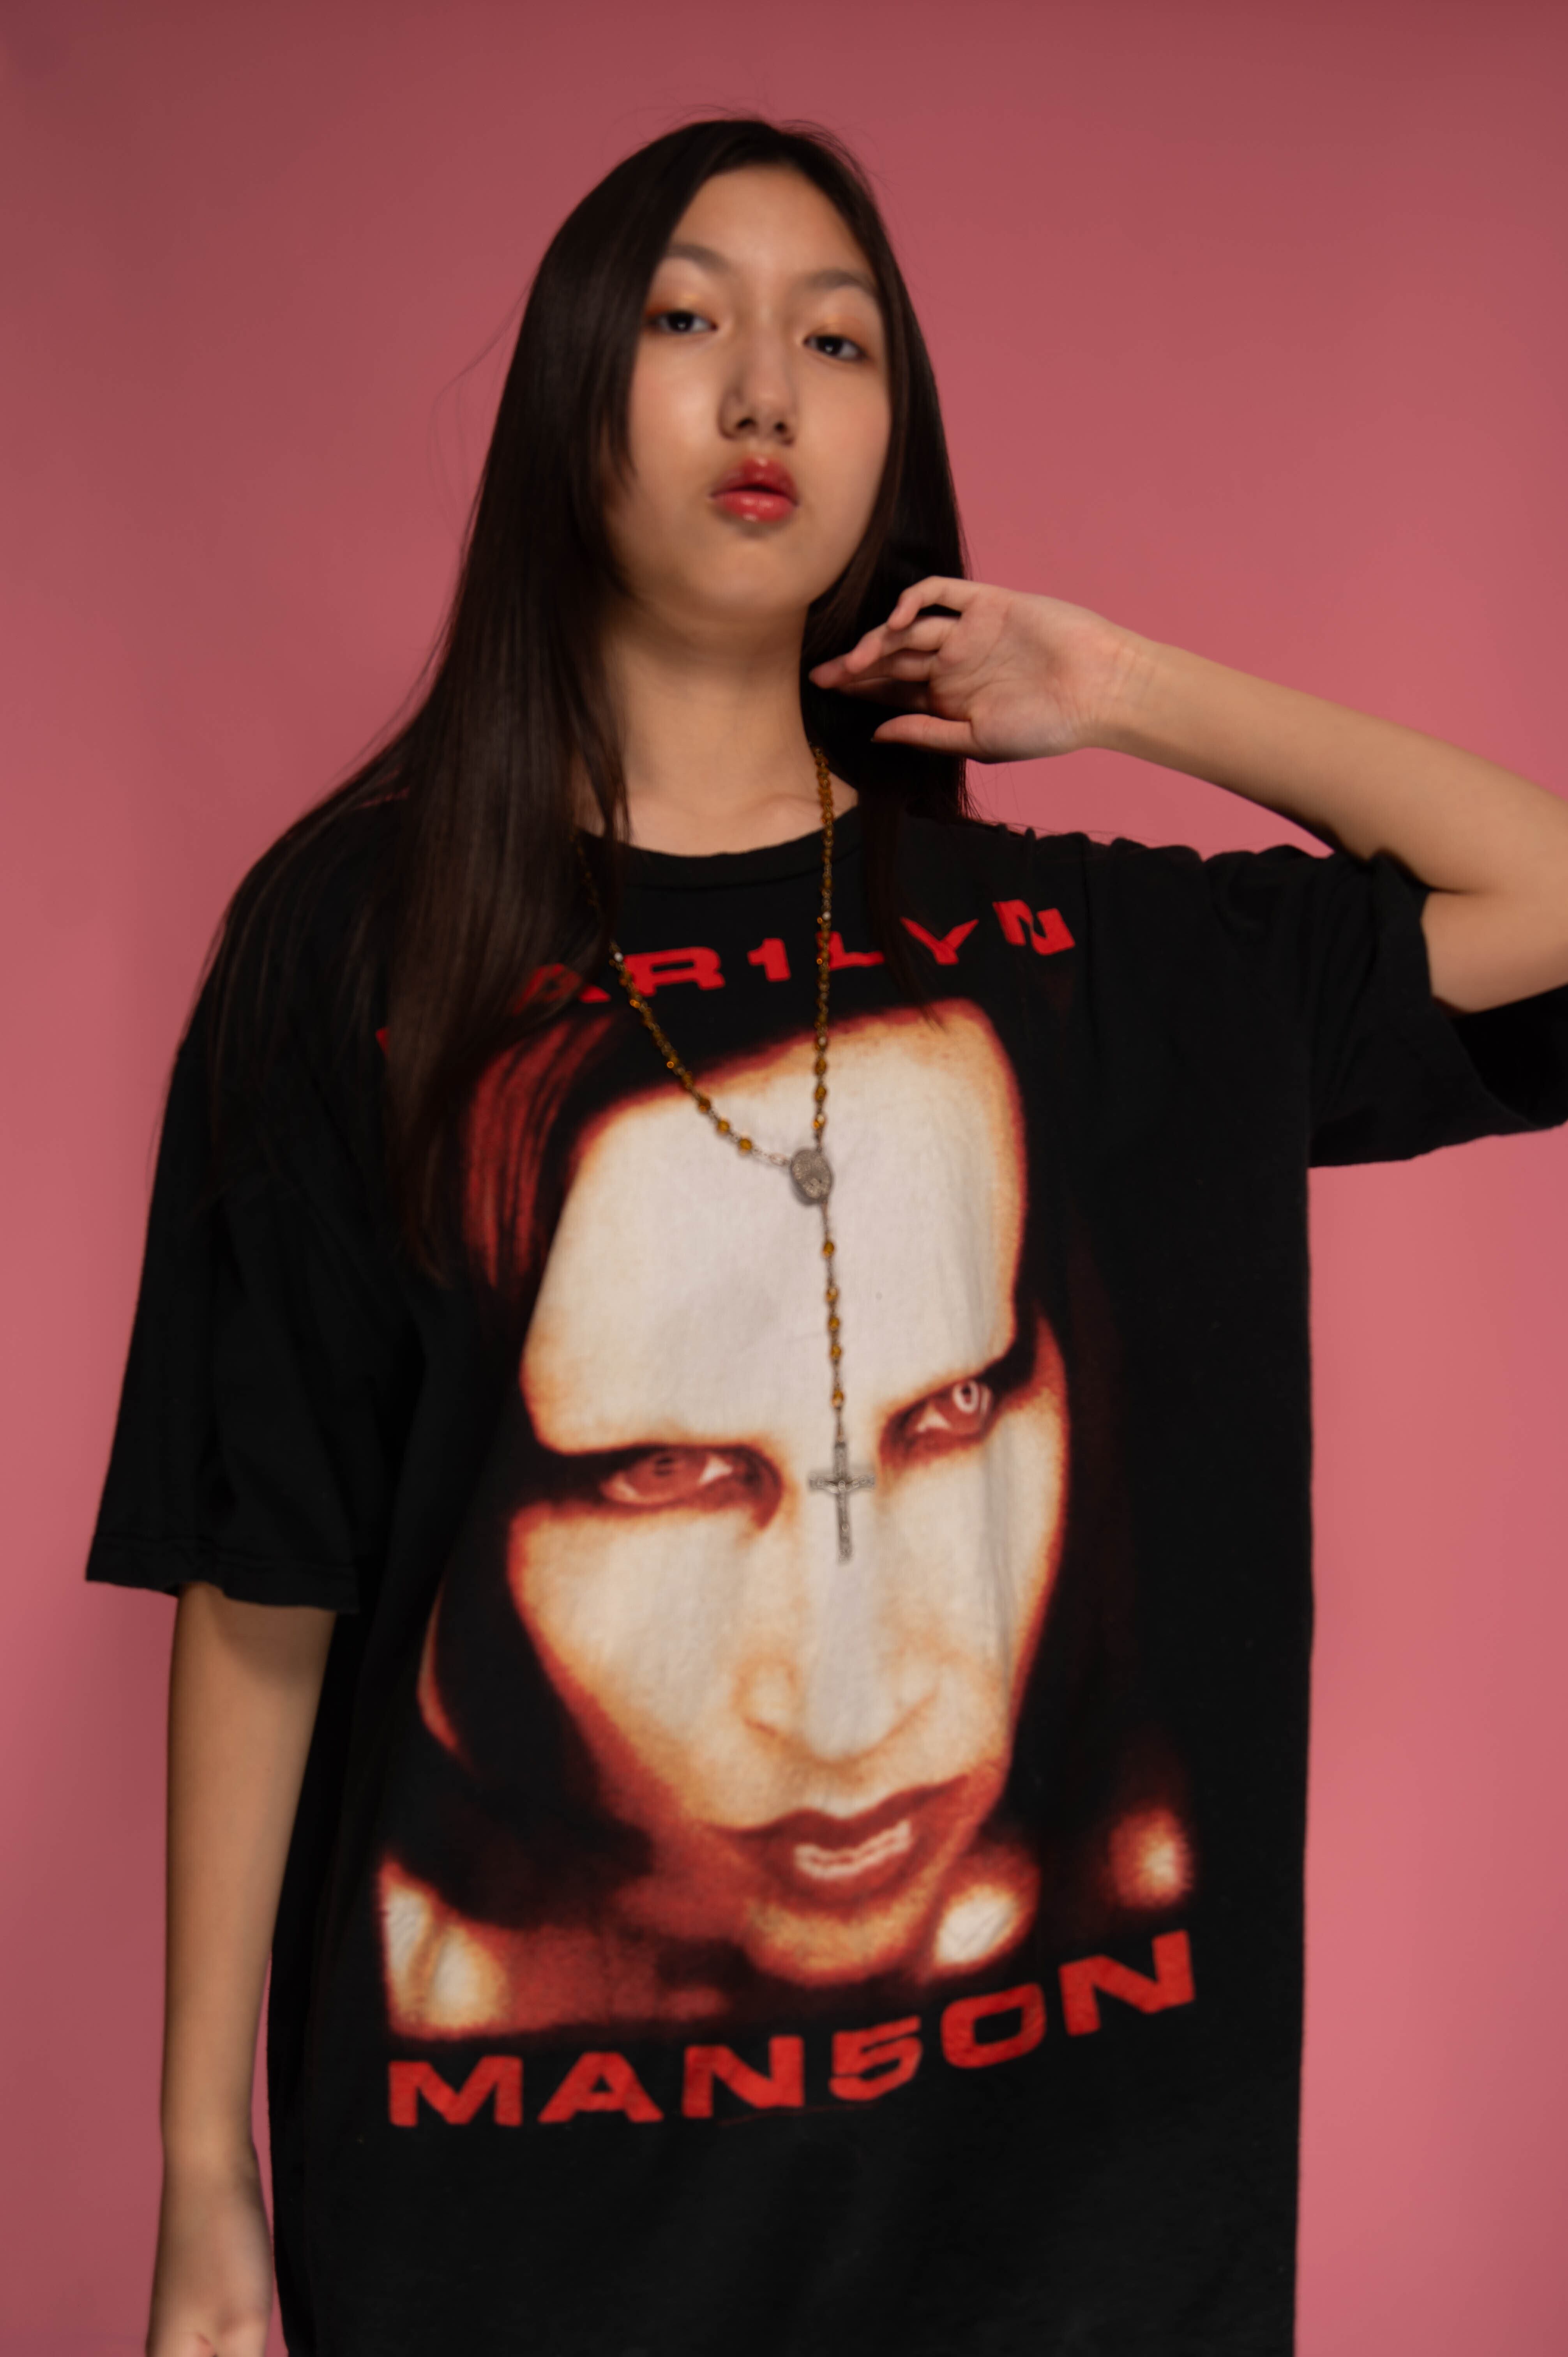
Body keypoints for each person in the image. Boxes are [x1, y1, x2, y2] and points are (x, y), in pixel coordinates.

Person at [88, 114, 1568, 2357]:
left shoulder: (1063, 958)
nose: (764, 389)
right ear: (572, 393)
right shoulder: (359, 947)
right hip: (512, 2257)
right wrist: (206, 2183)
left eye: (839, 341)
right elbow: (264, 1577)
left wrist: (1120, 690)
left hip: (1051, 2258)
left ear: (896, 442)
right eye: (688, 321)